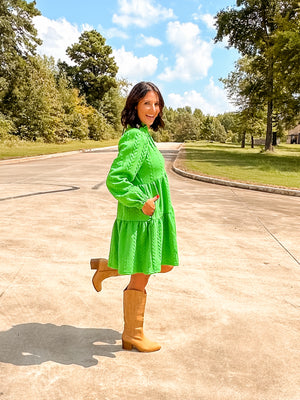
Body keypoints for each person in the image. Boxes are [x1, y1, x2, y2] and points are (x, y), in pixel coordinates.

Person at [91, 81, 179, 352]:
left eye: (156, 103)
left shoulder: (146, 136)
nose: (153, 109)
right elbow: (116, 180)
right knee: (145, 272)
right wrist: (142, 202)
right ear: (135, 106)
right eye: (147, 104)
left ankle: (108, 267)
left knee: (163, 264)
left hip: (153, 218)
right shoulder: (135, 138)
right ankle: (133, 334)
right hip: (142, 219)